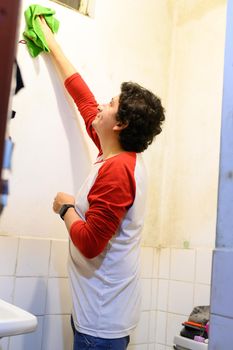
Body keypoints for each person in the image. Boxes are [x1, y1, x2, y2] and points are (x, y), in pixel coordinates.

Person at [38, 16, 165, 350]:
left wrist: (65, 207)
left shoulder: (118, 171)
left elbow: (92, 243)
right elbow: (82, 98)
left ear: (120, 125)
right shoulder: (114, 155)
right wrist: (50, 41)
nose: (102, 105)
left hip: (100, 322)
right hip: (98, 313)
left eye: (110, 104)